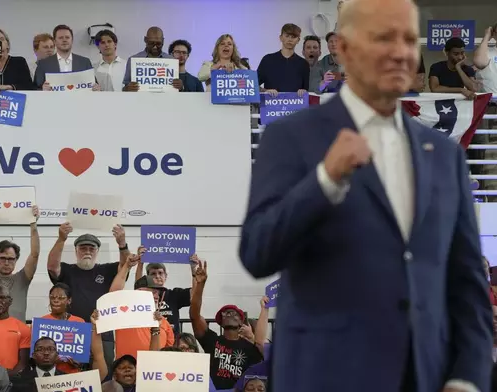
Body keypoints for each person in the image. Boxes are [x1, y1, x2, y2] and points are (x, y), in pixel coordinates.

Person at [239, 0, 493, 391]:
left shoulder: (443, 154)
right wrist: (325, 180)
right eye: (383, 37)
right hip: (323, 377)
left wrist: (467, 378)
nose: (400, 51)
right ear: (343, 48)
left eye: (409, 39)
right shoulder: (290, 137)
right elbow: (258, 252)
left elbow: (467, 284)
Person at [47, 223, 130, 370]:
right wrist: (61, 239)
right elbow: (52, 267)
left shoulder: (107, 269)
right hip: (72, 335)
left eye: (92, 248)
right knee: (72, 376)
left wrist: (122, 244)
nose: (87, 251)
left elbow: (125, 265)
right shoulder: (67, 269)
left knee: (103, 377)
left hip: (102, 333)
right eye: (83, 248)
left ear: (97, 251)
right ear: (76, 251)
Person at [189, 259, 262, 390]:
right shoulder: (212, 341)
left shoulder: (250, 348)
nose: (229, 314)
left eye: (234, 313)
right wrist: (200, 285)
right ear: (220, 321)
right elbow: (194, 315)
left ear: (241, 321)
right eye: (225, 313)